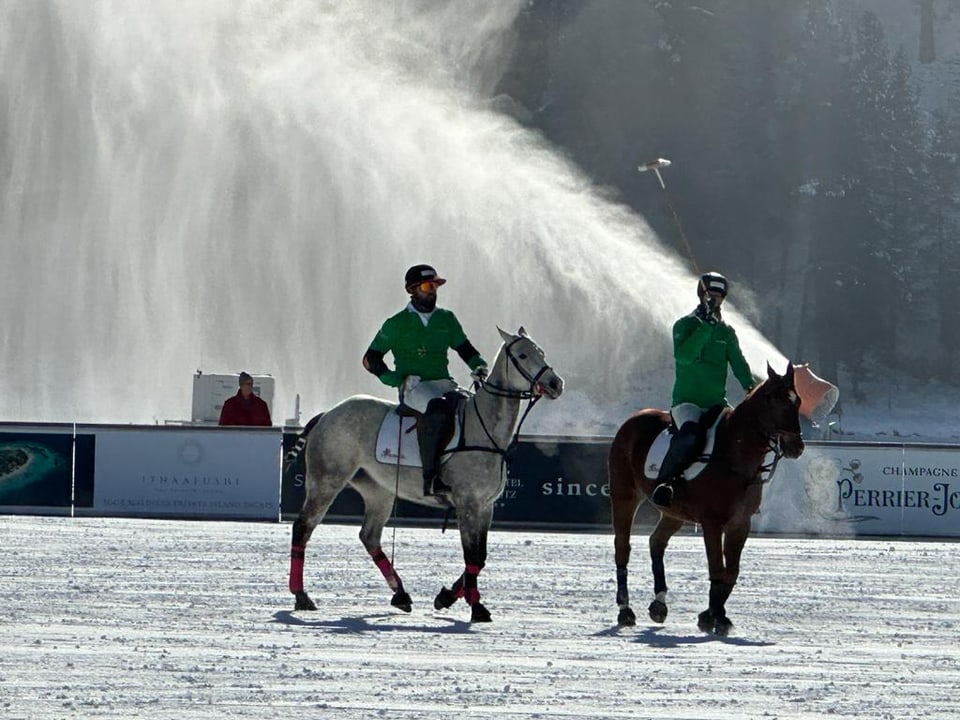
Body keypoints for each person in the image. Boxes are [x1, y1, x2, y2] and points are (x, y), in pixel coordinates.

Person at [362, 264, 488, 497]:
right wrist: (395, 380)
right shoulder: (397, 323)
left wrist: (479, 366)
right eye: (428, 286)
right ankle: (431, 479)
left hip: (443, 383)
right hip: (415, 387)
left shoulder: (446, 319)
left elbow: (465, 349)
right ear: (413, 290)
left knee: (473, 409)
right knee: (438, 410)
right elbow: (371, 359)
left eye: (435, 286)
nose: (433, 291)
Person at [651, 272, 755, 507]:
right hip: (686, 403)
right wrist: (705, 328)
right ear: (701, 296)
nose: (715, 301)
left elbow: (738, 362)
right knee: (689, 436)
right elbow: (684, 357)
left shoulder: (727, 332)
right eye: (711, 296)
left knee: (739, 436)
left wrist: (750, 387)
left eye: (719, 297)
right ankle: (665, 483)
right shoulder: (684, 325)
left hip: (717, 403)